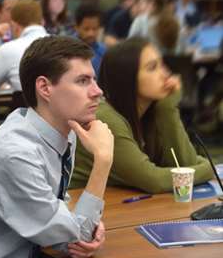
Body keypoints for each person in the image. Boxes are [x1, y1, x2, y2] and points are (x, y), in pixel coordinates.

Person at [0, 35, 114, 258]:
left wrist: (83, 224)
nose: (97, 91)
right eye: (83, 81)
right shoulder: (15, 152)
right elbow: (76, 235)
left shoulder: (61, 132)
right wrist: (103, 161)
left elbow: (62, 212)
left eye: (93, 80)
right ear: (44, 87)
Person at [70, 37, 213, 193]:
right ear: (127, 78)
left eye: (162, 65)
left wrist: (167, 108)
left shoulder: (151, 112)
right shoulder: (105, 119)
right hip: (78, 208)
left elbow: (184, 164)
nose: (165, 75)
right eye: (152, 68)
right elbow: (154, 181)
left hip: (117, 204)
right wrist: (208, 168)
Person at [0, 0, 47, 101]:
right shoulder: (64, 46)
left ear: (14, 25)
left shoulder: (8, 50)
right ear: (42, 22)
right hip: (63, 115)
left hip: (26, 114)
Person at [74, 1, 106, 77]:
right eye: (86, 29)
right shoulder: (67, 50)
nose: (90, 34)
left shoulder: (103, 51)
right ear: (76, 27)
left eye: (95, 29)